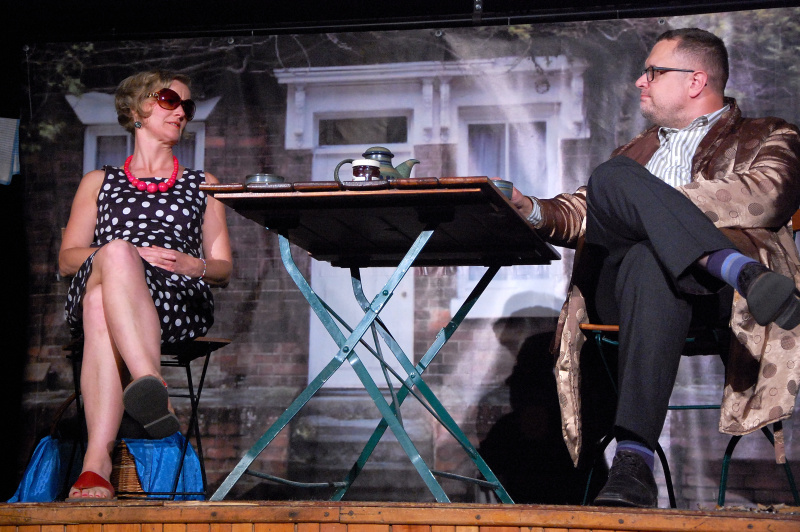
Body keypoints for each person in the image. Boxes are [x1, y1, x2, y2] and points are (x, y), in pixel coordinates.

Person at [510, 28, 800, 507]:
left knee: (650, 256)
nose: (640, 82)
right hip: (625, 293)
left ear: (695, 80)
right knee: (613, 180)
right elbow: (581, 212)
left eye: (653, 71)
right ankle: (734, 266)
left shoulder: (771, 135)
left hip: (716, 299)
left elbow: (766, 194)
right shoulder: (631, 156)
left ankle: (633, 463)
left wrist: (648, 208)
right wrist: (532, 209)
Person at [58, 70, 232, 500]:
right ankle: (151, 384)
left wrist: (193, 264)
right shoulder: (98, 182)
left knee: (99, 304)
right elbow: (67, 259)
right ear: (137, 109)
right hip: (110, 279)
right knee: (114, 261)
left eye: (187, 106)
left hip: (173, 299)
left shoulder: (202, 184)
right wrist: (125, 255)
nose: (181, 112)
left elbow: (223, 268)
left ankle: (95, 464)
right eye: (170, 99)